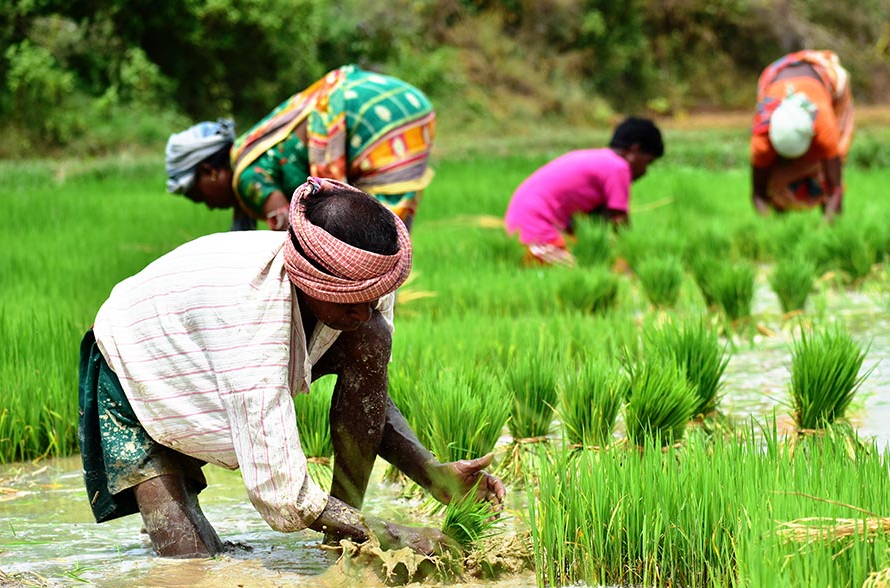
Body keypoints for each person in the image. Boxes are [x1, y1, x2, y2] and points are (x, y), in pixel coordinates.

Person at [78, 177, 503, 559]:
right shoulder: (252, 323)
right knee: (188, 563)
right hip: (135, 364)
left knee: (370, 337)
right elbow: (283, 497)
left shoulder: (361, 281)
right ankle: (348, 531)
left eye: (373, 297)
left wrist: (432, 476)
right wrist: (388, 534)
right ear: (311, 279)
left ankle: (342, 531)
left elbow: (370, 396)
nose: (366, 309)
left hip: (208, 346)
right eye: (352, 301)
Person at [165, 65, 435, 232]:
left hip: (373, 117)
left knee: (375, 243)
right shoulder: (253, 145)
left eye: (200, 197)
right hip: (403, 103)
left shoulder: (247, 178)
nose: (210, 207)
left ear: (210, 171)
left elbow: (291, 233)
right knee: (387, 231)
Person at [503, 117, 664, 267]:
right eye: (648, 162)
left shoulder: (598, 160)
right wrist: (632, 257)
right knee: (588, 268)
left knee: (593, 256)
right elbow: (619, 221)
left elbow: (593, 221)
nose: (645, 171)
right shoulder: (618, 167)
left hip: (519, 228)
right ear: (634, 151)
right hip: (537, 235)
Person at [750, 50, 854, 221]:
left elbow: (836, 190)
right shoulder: (762, 139)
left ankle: (828, 215)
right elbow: (757, 194)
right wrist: (770, 230)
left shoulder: (823, 125)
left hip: (823, 79)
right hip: (774, 77)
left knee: (828, 170)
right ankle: (781, 218)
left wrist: (826, 234)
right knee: (775, 184)